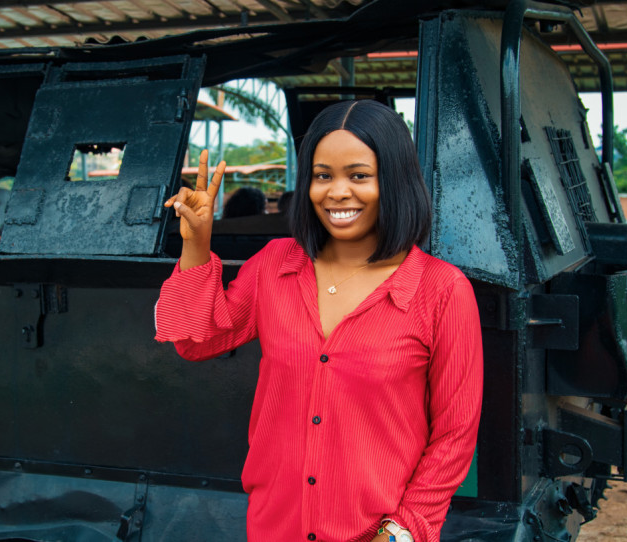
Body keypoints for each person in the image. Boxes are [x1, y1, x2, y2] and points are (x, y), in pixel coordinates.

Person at [155, 100, 482, 542]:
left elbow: (455, 433)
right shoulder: (275, 265)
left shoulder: (442, 291)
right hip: (275, 526)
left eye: (359, 175)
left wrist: (402, 531)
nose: (337, 191)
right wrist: (196, 242)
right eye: (323, 175)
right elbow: (196, 341)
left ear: (396, 180)